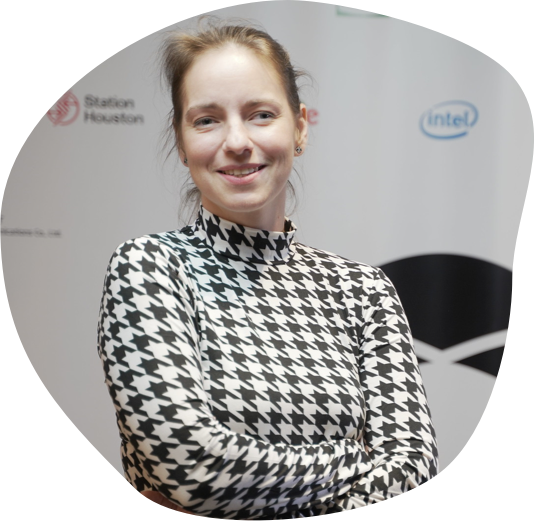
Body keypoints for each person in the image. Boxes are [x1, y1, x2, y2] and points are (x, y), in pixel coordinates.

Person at [97, 17, 439, 519]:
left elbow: (411, 473)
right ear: (181, 141)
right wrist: (354, 462)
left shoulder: (362, 289)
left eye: (260, 114)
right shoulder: (150, 268)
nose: (237, 141)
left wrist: (240, 498)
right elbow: (193, 470)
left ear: (299, 127)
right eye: (207, 120)